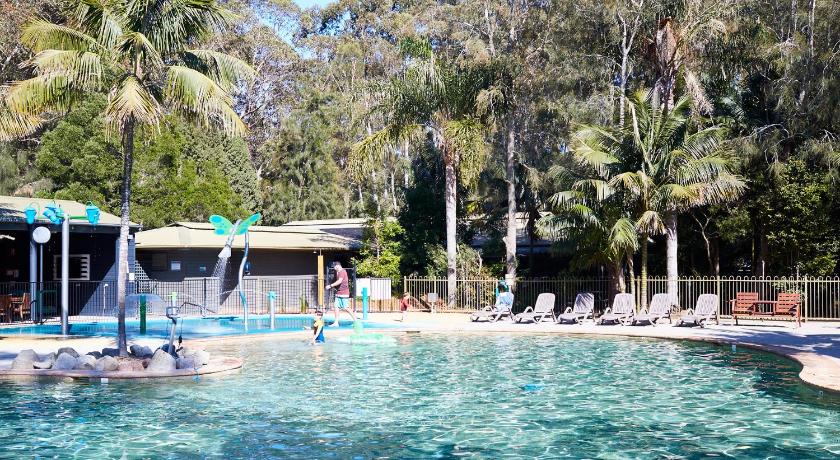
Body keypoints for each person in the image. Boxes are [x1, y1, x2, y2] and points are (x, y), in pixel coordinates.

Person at [325, 261, 355, 327]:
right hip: (338, 292)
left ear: (337, 266)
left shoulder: (342, 272)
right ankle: (336, 322)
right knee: (336, 307)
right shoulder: (337, 272)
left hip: (344, 292)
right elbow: (335, 280)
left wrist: (330, 286)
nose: (333, 268)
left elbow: (339, 281)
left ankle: (356, 321)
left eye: (334, 267)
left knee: (346, 308)